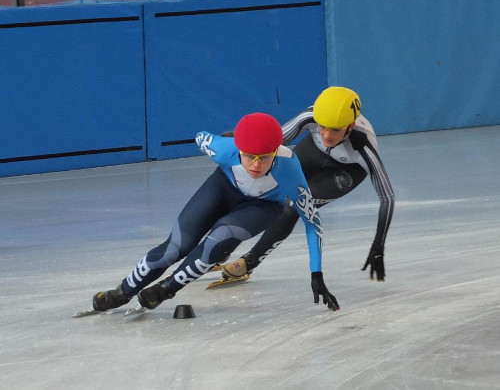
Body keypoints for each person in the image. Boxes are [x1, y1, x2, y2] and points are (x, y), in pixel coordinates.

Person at [92, 112, 340, 313]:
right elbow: (200, 137)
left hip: (263, 205)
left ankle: (166, 289)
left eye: (263, 158)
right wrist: (232, 138)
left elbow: (312, 223)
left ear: (276, 151)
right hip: (223, 187)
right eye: (249, 156)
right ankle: (123, 291)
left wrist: (316, 273)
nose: (255, 165)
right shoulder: (224, 149)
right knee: (176, 247)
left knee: (217, 240)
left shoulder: (290, 170)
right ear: (238, 149)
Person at [221, 87, 395, 283]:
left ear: (350, 126)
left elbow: (387, 197)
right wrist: (242, 141)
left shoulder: (363, 146)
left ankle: (250, 261)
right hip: (314, 151)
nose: (327, 135)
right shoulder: (310, 116)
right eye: (322, 126)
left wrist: (378, 246)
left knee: (293, 205)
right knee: (260, 185)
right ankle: (225, 246)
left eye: (336, 129)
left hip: (347, 171)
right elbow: (275, 140)